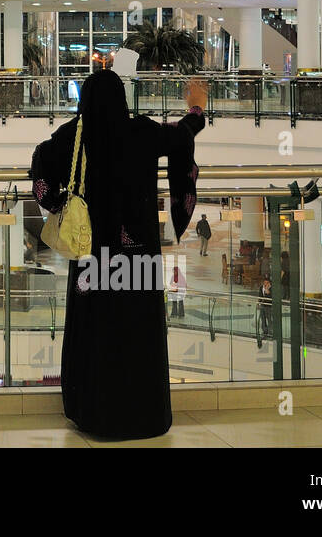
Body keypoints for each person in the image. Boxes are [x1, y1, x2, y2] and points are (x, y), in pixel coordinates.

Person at [29, 70, 206, 439]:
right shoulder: (141, 131)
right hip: (136, 259)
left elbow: (42, 171)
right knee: (137, 330)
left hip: (93, 259)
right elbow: (183, 134)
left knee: (96, 328)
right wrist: (196, 107)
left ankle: (94, 411)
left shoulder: (72, 136)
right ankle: (142, 414)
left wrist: (57, 201)